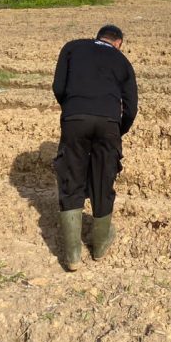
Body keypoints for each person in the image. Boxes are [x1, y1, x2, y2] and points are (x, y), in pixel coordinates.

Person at [51, 24, 138, 271]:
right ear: (118, 43)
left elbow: (58, 87)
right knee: (103, 178)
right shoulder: (122, 61)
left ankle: (72, 256)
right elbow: (131, 106)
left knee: (71, 177)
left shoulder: (72, 48)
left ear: (98, 37)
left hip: (74, 119)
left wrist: (73, 110)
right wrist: (117, 130)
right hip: (108, 123)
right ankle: (99, 247)